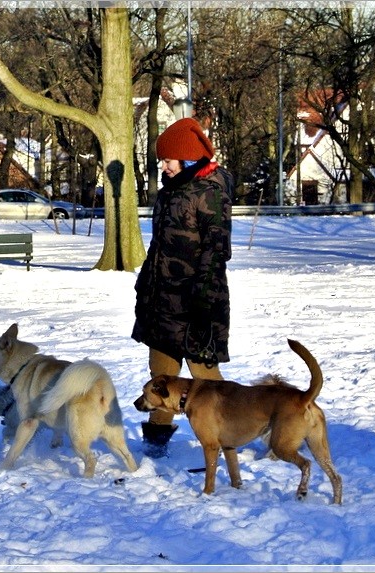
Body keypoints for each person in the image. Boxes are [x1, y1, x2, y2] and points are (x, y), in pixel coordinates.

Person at [131, 117, 234, 458]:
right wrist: (144, 286)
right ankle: (156, 442)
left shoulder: (210, 194)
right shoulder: (168, 194)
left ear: (189, 159)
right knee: (160, 376)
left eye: (168, 160)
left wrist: (203, 307)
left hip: (197, 304)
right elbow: (159, 248)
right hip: (162, 304)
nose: (163, 165)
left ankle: (234, 427)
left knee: (205, 376)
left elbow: (216, 253)